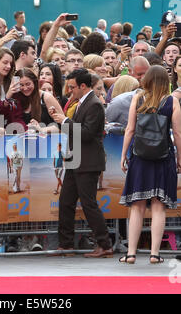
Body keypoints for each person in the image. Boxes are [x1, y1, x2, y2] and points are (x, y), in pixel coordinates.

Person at [119, 65, 181, 264]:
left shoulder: (138, 98)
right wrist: (180, 158)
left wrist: (123, 155)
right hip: (164, 157)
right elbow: (178, 134)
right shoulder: (172, 101)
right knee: (158, 206)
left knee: (136, 207)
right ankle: (155, 254)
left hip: (140, 157)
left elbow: (130, 129)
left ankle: (131, 254)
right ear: (166, 81)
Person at [50, 68, 113, 258]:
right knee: (66, 202)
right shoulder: (81, 102)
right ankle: (66, 244)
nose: (70, 91)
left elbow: (86, 134)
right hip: (75, 160)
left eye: (72, 87)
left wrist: (65, 120)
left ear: (83, 86)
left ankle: (105, 244)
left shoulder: (93, 104)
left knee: (88, 204)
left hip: (87, 162)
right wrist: (62, 120)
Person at [14, 67, 63, 133]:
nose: (25, 88)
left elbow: (62, 124)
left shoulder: (46, 97)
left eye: (28, 84)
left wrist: (40, 129)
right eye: (21, 85)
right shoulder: (17, 99)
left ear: (34, 82)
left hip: (48, 140)